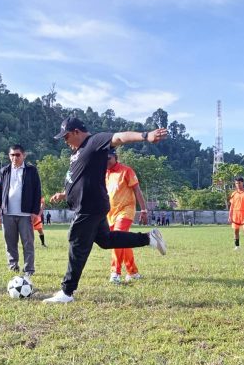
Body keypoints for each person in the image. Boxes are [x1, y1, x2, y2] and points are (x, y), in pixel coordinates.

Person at [44, 117, 168, 303]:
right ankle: (149, 238)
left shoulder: (94, 141)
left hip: (89, 206)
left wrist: (145, 135)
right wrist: (66, 193)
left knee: (77, 243)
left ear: (77, 132)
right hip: (92, 205)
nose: (65, 141)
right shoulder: (79, 151)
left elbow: (119, 137)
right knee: (106, 240)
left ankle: (67, 292)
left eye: (66, 136)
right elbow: (81, 177)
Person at [0, 145, 42, 276]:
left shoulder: (31, 171)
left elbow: (37, 192)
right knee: (10, 243)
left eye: (17, 155)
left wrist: (34, 211)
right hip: (7, 213)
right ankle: (13, 266)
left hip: (25, 214)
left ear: (24, 155)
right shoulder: (4, 171)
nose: (14, 157)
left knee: (28, 243)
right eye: (12, 155)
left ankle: (29, 269)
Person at [106, 148, 149, 284]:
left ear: (115, 157)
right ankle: (132, 272)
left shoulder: (126, 171)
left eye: (108, 158)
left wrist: (143, 210)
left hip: (126, 210)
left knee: (117, 238)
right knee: (122, 241)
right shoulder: (103, 173)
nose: (106, 162)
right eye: (103, 159)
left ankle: (115, 273)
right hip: (110, 213)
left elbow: (137, 190)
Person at [228, 177, 244, 251]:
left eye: (239, 183)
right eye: (236, 183)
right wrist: (230, 215)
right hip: (236, 213)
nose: (238, 185)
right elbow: (232, 205)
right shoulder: (234, 193)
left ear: (242, 183)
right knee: (236, 230)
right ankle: (237, 246)